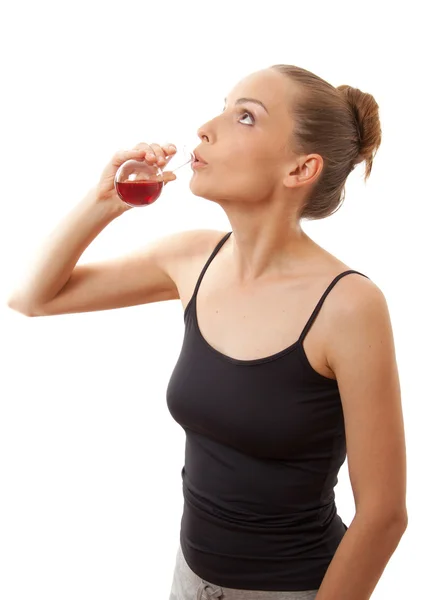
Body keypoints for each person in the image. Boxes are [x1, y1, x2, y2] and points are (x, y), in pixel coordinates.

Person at [7, 64, 407, 600]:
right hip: (189, 578)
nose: (206, 127)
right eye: (224, 106)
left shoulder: (350, 306)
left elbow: (383, 515)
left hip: (296, 590)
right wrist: (103, 205)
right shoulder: (194, 258)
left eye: (245, 117)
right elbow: (32, 297)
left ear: (301, 168)